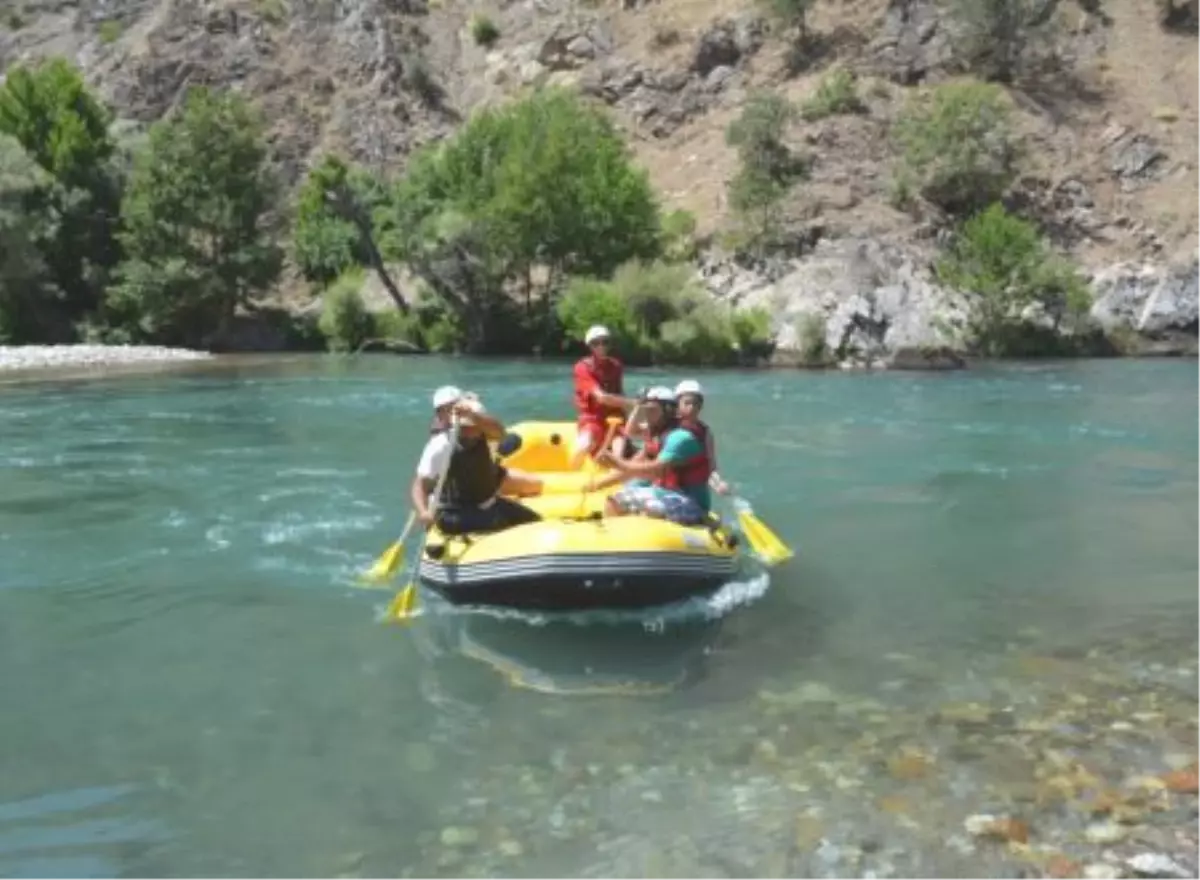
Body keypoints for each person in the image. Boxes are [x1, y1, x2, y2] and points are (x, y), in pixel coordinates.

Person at [411, 386, 543, 536]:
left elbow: (499, 432)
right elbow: (419, 485)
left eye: (475, 425)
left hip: (486, 502)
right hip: (455, 512)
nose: (473, 430)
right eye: (467, 427)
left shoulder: (482, 428)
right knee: (497, 523)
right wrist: (423, 512)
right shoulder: (441, 445)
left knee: (534, 521)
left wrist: (473, 416)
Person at [586, 386, 713, 526]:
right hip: (665, 493)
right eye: (646, 411)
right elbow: (631, 469)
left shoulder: (681, 438)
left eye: (652, 411)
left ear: (668, 411)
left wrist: (617, 463)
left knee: (652, 507)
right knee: (616, 500)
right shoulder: (657, 437)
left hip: (691, 502)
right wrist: (596, 485)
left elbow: (656, 471)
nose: (647, 416)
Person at [569, 325, 636, 469]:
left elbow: (618, 394)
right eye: (596, 343)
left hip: (615, 416)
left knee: (619, 442)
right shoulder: (582, 368)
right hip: (592, 417)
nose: (601, 346)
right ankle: (571, 476)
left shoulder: (616, 366)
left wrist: (631, 415)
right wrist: (633, 403)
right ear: (590, 346)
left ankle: (617, 469)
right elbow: (601, 397)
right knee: (586, 443)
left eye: (605, 342)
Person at [675, 379, 731, 497]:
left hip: (693, 490)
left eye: (696, 403)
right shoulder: (667, 427)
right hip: (671, 486)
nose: (692, 407)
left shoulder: (705, 432)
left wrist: (718, 484)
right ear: (677, 404)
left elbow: (710, 466)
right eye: (687, 403)